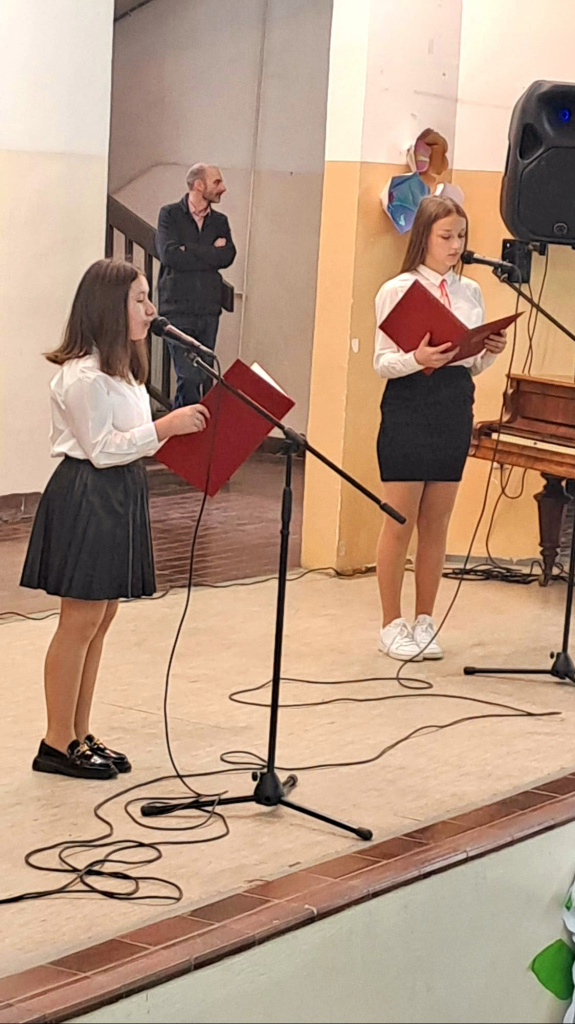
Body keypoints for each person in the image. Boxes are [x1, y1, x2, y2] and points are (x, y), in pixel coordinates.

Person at [20, 259, 209, 779]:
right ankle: (55, 740)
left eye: (149, 298)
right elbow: (102, 449)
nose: (151, 310)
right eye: (139, 300)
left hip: (121, 491)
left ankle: (79, 732)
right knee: (79, 620)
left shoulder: (123, 372)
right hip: (87, 493)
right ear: (109, 307)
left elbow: (132, 443)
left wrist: (177, 434)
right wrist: (166, 427)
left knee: (102, 619)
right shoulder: (82, 377)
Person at [374, 195, 507, 661]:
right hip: (410, 404)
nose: (455, 245)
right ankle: (391, 623)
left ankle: (425, 619)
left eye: (461, 237)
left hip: (453, 405)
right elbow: (381, 362)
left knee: (436, 522)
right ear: (424, 238)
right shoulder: (398, 289)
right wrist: (417, 357)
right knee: (400, 520)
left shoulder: (470, 292)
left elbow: (470, 365)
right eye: (446, 236)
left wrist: (489, 351)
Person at [156, 164, 236, 408]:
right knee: (188, 376)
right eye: (217, 182)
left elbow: (228, 256)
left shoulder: (220, 221)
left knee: (202, 375)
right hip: (177, 308)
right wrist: (210, 252)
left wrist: (188, 249)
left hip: (208, 308)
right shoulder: (170, 214)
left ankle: (185, 425)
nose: (223, 188)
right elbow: (170, 256)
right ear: (199, 185)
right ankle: (186, 424)